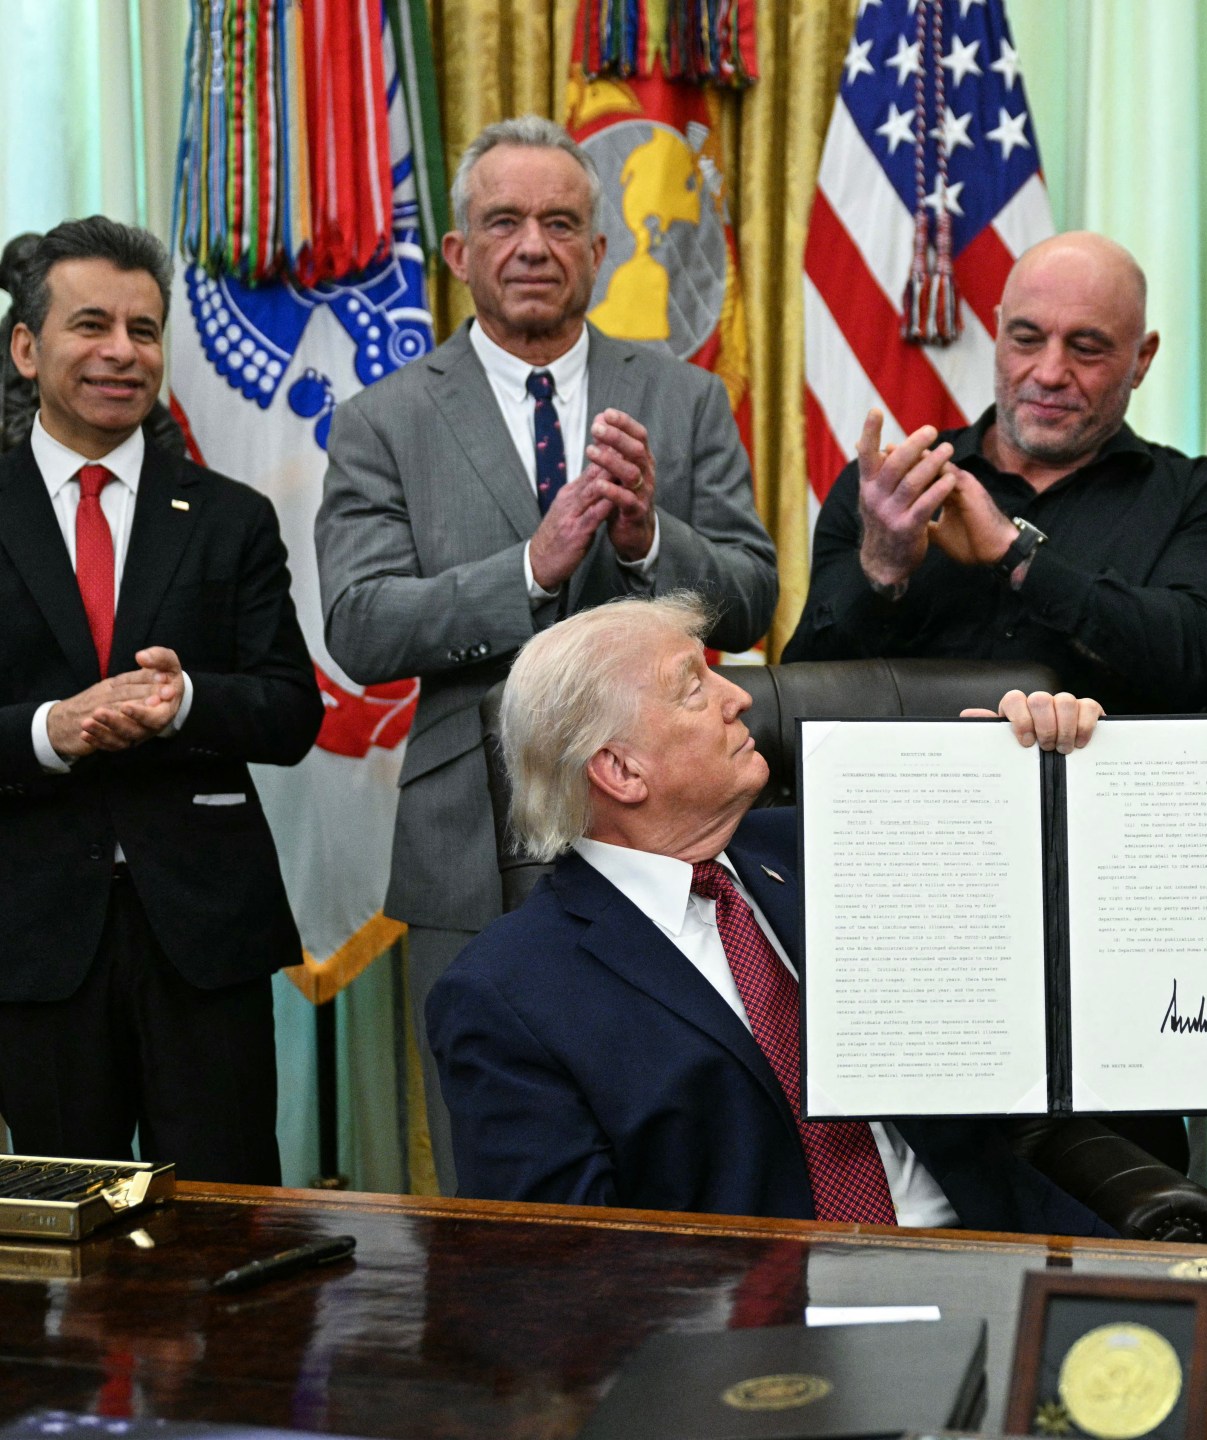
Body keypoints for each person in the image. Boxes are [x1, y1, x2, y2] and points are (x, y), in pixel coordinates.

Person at [314, 116, 777, 1190]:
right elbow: (360, 625)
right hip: (463, 838)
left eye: (561, 222)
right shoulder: (383, 420)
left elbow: (750, 598)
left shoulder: (686, 398)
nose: (534, 245)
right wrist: (532, 566)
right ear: (460, 255)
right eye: (504, 222)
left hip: (671, 833)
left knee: (686, 1125)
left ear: (600, 253)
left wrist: (648, 540)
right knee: (499, 1163)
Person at [427, 595, 1110, 1234]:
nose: (742, 698)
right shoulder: (505, 994)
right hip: (752, 1327)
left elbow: (1039, 939)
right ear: (621, 771)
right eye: (694, 687)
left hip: (988, 1245)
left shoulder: (841, 839)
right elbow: (566, 1265)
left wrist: (1027, 778)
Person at [0, 216, 321, 1180]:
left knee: (230, 1221)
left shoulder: (229, 518)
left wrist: (185, 705)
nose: (120, 353)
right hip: (35, 939)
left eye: (143, 331)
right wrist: (48, 733)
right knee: (66, 1236)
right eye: (90, 325)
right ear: (27, 348)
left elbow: (291, 712)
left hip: (206, 938)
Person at [783, 231, 1207, 718]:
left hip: (1112, 789)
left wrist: (1018, 555)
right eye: (1026, 340)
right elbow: (804, 690)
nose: (1049, 372)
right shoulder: (894, 490)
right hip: (919, 786)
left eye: (1087, 348)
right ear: (998, 332)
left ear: (1142, 359)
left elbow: (1197, 660)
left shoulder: (1199, 497)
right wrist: (881, 568)